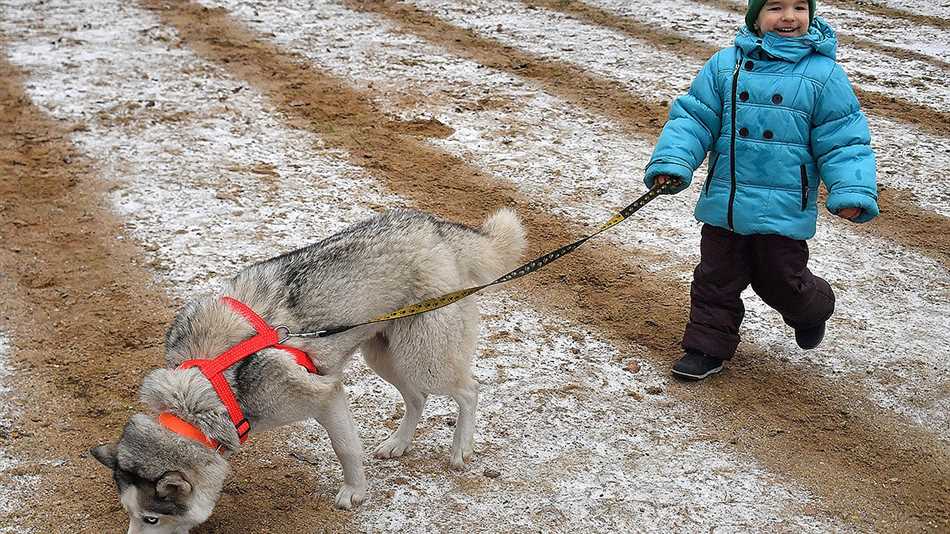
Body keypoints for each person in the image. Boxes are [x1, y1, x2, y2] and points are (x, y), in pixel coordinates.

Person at [644, 0, 879, 380]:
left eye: (799, 7)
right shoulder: (725, 65)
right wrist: (673, 162)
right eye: (775, 7)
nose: (788, 17)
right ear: (755, 16)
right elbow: (693, 119)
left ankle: (813, 307)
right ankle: (705, 348)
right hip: (728, 202)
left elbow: (843, 139)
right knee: (715, 278)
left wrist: (851, 188)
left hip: (783, 206)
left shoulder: (824, 75)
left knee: (780, 282)